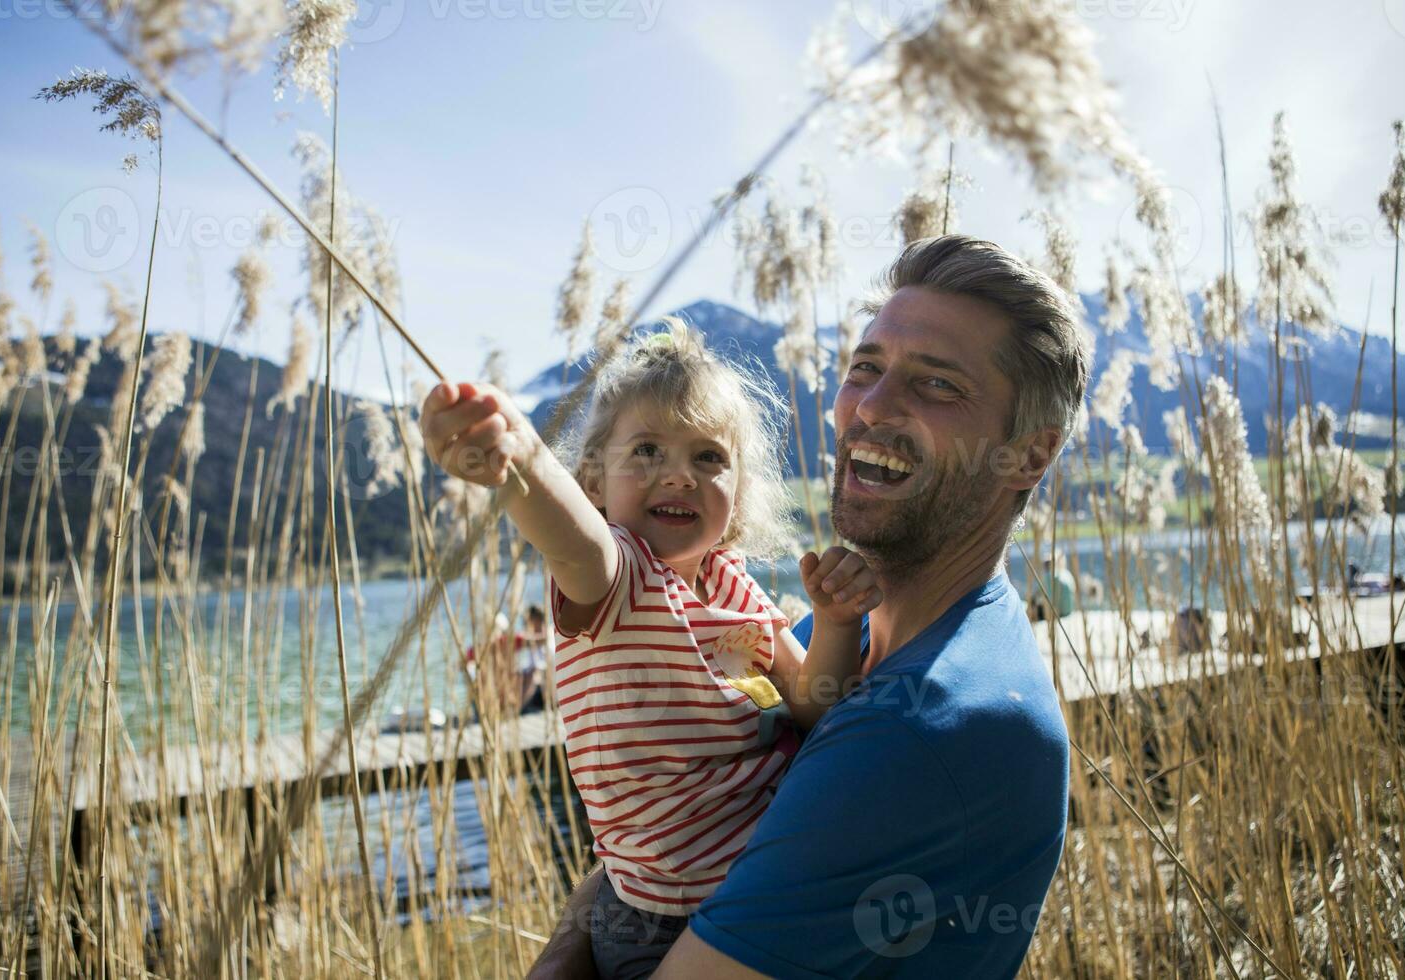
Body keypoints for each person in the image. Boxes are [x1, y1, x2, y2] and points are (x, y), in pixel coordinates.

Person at [531, 234, 1085, 979]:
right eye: (865, 368)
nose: (870, 408)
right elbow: (671, 807)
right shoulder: (836, 632)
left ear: (1030, 455)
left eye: (938, 385)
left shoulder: (918, 730)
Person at [421, 320, 882, 978]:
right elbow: (572, 540)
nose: (679, 476)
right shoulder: (620, 578)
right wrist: (521, 460)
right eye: (645, 452)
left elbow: (815, 706)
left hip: (763, 893)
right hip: (661, 921)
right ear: (592, 483)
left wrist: (836, 623)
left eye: (708, 458)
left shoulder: (734, 584)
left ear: (741, 489)